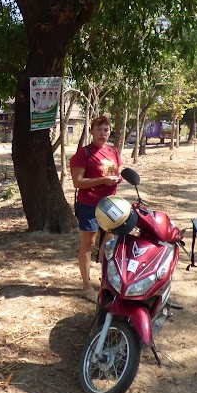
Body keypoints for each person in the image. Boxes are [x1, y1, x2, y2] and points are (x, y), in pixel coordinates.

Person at [69, 115, 122, 299]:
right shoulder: (84, 153)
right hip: (89, 204)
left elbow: (116, 172)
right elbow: (77, 182)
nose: (103, 133)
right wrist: (103, 180)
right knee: (88, 244)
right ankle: (86, 286)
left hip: (110, 205)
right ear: (91, 131)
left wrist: (117, 179)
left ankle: (105, 282)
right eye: (99, 129)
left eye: (106, 129)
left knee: (109, 245)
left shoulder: (113, 151)